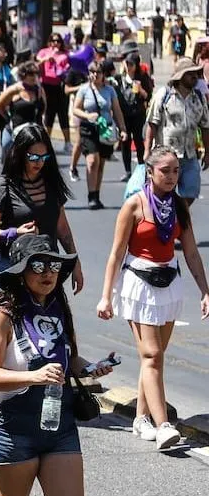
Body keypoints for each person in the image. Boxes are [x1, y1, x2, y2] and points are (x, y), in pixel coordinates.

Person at [0, 235, 115, 496]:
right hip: (14, 429)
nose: (48, 273)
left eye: (54, 265)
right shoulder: (1, 316)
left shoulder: (57, 307)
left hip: (60, 425)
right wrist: (33, 376)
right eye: (38, 265)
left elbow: (64, 356)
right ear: (21, 271)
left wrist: (87, 368)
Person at [96, 145, 209, 449]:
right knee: (152, 356)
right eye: (165, 171)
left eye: (176, 171)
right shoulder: (133, 206)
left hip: (169, 282)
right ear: (150, 171)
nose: (172, 176)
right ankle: (163, 425)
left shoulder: (179, 206)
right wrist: (105, 296)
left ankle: (140, 418)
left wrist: (205, 290)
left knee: (154, 359)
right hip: (138, 283)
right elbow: (116, 253)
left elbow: (191, 253)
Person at [0, 124, 84, 293]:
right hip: (13, 267)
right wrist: (15, 233)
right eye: (34, 157)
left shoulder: (51, 183)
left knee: (50, 318)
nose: (40, 162)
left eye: (44, 157)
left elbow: (63, 231)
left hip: (47, 268)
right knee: (11, 317)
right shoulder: (4, 185)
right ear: (20, 154)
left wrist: (75, 264)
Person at [143, 57, 209, 205]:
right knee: (163, 193)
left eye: (196, 73)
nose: (194, 77)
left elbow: (205, 126)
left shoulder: (198, 98)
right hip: (166, 155)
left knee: (191, 191)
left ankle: (179, 216)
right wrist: (147, 150)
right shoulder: (164, 95)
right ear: (180, 76)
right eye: (190, 74)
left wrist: (207, 152)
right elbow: (152, 122)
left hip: (190, 154)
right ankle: (170, 219)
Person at [71, 60, 127, 210]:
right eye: (93, 72)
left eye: (99, 72)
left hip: (105, 130)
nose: (95, 75)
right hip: (88, 129)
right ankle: (91, 196)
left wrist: (122, 129)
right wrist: (87, 116)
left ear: (103, 74)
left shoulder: (110, 90)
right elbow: (75, 109)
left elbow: (117, 111)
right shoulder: (84, 90)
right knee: (92, 161)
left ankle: (96, 194)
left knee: (100, 163)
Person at [118, 55, 152, 181]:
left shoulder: (142, 78)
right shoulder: (120, 78)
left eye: (131, 64)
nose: (128, 67)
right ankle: (127, 171)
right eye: (127, 64)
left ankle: (142, 168)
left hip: (138, 114)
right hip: (124, 114)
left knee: (138, 141)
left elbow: (148, 96)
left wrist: (141, 90)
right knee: (125, 142)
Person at [37, 34, 72, 153]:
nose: (55, 43)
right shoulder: (44, 52)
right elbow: (37, 64)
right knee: (49, 114)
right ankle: (47, 142)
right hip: (47, 86)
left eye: (58, 41)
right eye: (53, 40)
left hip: (60, 86)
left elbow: (70, 67)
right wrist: (47, 58)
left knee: (63, 114)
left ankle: (68, 143)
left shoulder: (65, 54)